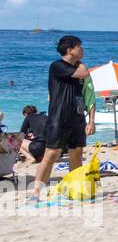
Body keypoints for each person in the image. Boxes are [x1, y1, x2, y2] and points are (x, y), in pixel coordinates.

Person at [32, 35, 92, 196]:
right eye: (79, 46)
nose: (82, 49)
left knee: (77, 154)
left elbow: (87, 88)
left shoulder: (77, 67)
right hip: (59, 118)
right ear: (70, 50)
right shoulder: (57, 66)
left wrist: (90, 119)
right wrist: (80, 64)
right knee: (51, 154)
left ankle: (75, 188)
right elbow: (84, 72)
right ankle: (36, 191)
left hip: (77, 117)